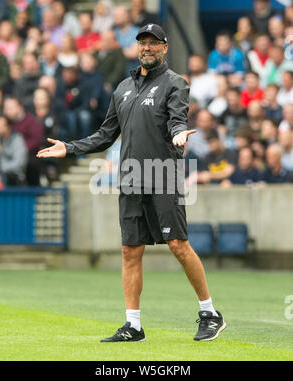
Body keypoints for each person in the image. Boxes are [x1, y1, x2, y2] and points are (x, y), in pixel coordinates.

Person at [37, 23, 226, 343]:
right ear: (137, 48)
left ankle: (210, 313)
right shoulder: (123, 88)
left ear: (165, 48)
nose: (147, 48)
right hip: (130, 178)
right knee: (129, 250)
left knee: (178, 245)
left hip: (163, 173)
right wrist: (69, 147)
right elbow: (104, 135)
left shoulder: (175, 83)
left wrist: (179, 132)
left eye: (154, 43)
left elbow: (178, 119)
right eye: (143, 43)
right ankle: (133, 325)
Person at [0, 116, 27, 186]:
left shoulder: (17, 140)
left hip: (14, 180)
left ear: (8, 127)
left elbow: (19, 163)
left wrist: (1, 169)